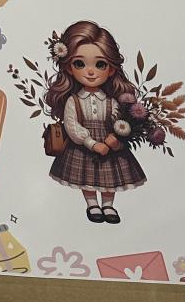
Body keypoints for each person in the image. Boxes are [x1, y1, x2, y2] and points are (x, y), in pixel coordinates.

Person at [45, 20, 146, 224]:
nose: (90, 71)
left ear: (111, 69)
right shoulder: (73, 101)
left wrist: (116, 141)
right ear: (69, 68)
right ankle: (92, 204)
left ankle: (108, 205)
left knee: (109, 177)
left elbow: (121, 122)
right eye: (80, 64)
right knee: (86, 177)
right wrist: (91, 143)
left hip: (109, 146)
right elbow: (72, 126)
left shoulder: (111, 101)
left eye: (100, 64)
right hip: (83, 147)